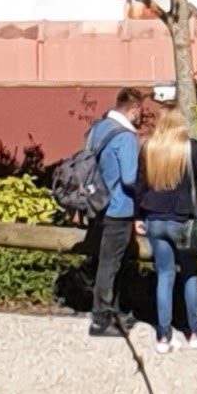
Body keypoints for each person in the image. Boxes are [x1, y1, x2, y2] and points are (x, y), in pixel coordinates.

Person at [134, 100, 197, 353]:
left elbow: (139, 186)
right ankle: (195, 332)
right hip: (182, 221)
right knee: (190, 274)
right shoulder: (191, 149)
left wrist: (137, 217)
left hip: (154, 220)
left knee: (164, 276)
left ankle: (163, 337)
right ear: (180, 124)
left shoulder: (149, 148)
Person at [80, 86, 147, 337]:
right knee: (111, 265)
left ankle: (112, 312)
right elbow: (130, 178)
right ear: (133, 110)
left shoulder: (100, 128)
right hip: (119, 208)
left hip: (98, 204)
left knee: (105, 262)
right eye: (140, 111)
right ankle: (101, 319)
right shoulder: (126, 137)